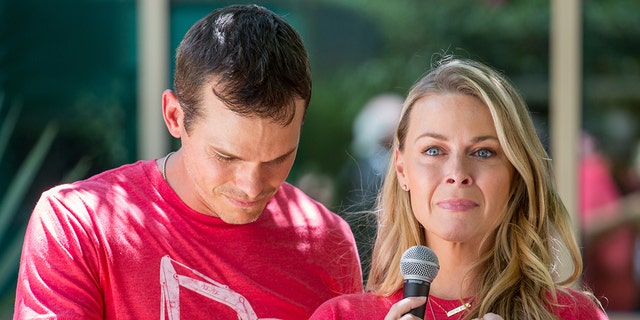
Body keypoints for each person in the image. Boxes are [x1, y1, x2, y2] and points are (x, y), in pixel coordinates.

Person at [13, 4, 362, 320]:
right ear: (174, 116)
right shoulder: (78, 224)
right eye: (226, 156)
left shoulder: (327, 243)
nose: (252, 185)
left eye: (278, 158)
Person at [310, 57, 608, 320]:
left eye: (483, 152)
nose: (457, 174)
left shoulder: (576, 316)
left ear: (516, 173)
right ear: (401, 169)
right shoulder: (340, 316)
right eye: (433, 150)